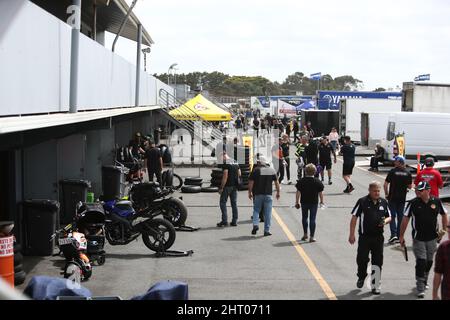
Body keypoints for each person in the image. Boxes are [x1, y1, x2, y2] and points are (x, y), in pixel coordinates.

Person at [399, 181, 448, 298]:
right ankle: (420, 285)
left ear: (428, 190)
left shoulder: (436, 201)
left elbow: (444, 214)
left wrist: (444, 230)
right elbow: (405, 219)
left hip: (432, 238)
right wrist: (401, 235)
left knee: (429, 262)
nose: (418, 192)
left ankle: (424, 277)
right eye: (417, 190)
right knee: (421, 261)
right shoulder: (413, 203)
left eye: (420, 190)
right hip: (418, 238)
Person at [349, 181, 392, 295]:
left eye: (378, 191)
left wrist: (384, 221)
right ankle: (361, 276)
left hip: (378, 237)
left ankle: (375, 284)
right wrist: (352, 234)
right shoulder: (362, 201)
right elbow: (354, 217)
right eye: (375, 191)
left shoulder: (383, 202)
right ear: (369, 191)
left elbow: (390, 217)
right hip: (365, 237)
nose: (377, 193)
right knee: (362, 259)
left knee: (377, 261)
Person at [248, 155, 281, 236]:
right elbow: (276, 182)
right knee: (268, 213)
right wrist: (278, 192)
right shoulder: (271, 170)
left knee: (256, 210)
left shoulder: (256, 170)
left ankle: (255, 224)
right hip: (268, 195)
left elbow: (251, 182)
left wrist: (250, 192)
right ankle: (267, 230)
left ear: (260, 162)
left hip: (258, 194)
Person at [383, 155, 412, 244]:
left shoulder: (393, 171)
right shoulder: (408, 173)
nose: (394, 162)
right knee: (400, 217)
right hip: (402, 198)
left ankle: (393, 235)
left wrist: (386, 194)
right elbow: (410, 186)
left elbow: (385, 184)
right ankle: (400, 235)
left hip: (392, 197)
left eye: (396, 161)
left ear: (400, 162)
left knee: (392, 216)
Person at [295, 164, 325, 242]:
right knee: (312, 219)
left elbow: (298, 192)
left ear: (305, 171)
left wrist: (297, 202)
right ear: (315, 172)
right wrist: (322, 202)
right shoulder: (317, 181)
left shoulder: (301, 181)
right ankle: (312, 236)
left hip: (304, 202)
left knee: (304, 218)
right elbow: (320, 193)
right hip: (314, 202)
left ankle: (305, 234)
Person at [217, 151, 241, 227]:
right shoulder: (235, 161)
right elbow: (239, 173)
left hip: (227, 186)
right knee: (234, 203)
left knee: (222, 202)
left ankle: (224, 221)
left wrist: (221, 187)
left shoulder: (226, 163)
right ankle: (235, 221)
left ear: (223, 156)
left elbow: (225, 176)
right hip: (235, 186)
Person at [433, 223, 450, 300]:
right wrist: (435, 295)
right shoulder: (444, 248)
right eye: (448, 227)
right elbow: (438, 273)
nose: (448, 230)